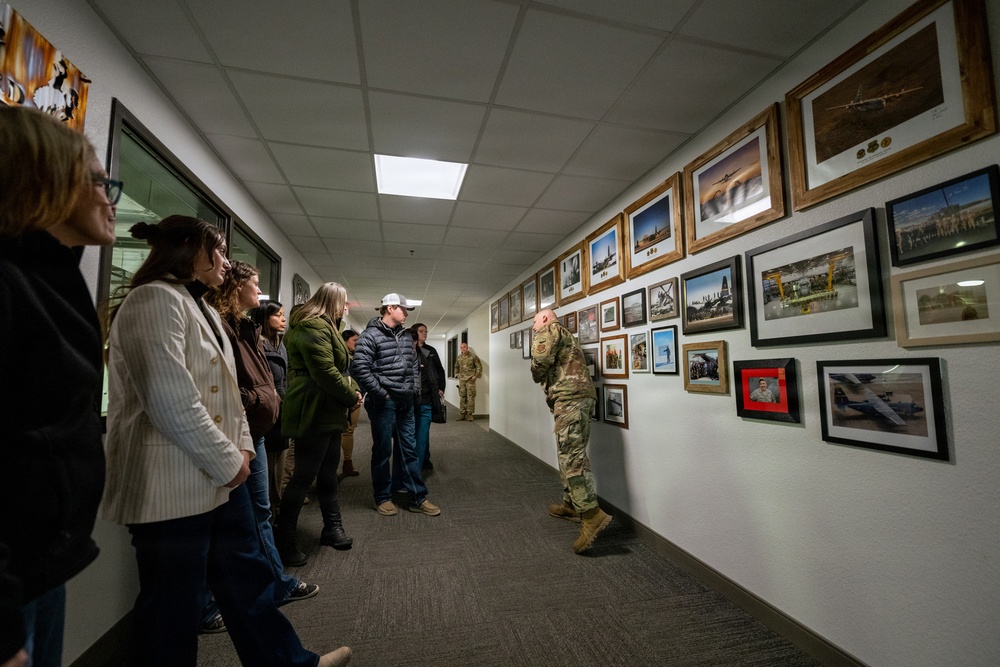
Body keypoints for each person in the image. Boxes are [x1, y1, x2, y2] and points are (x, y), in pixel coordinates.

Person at [102, 215, 349, 667]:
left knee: (247, 580)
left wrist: (243, 450)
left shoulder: (202, 308)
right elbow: (170, 399)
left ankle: (292, 663)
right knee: (172, 606)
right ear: (188, 253)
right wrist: (229, 460)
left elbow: (227, 399)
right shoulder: (153, 300)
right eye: (216, 251)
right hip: (171, 483)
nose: (224, 261)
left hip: (222, 474)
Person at [0, 106, 117, 667]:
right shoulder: (9, 283)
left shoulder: (52, 276)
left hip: (39, 564)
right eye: (98, 181)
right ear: (44, 177)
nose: (108, 197)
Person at [205, 263, 316, 619]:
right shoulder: (217, 324)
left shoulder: (247, 327)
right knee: (228, 520)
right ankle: (214, 601)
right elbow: (219, 382)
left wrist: (268, 400)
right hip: (234, 435)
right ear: (236, 288)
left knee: (262, 510)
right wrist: (256, 400)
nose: (260, 291)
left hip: (256, 432)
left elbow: (263, 376)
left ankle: (276, 581)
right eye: (255, 284)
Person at [277, 283, 360, 567]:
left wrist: (351, 391)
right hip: (313, 407)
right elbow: (325, 372)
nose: (346, 307)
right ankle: (284, 539)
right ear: (333, 300)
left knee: (327, 472)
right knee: (303, 475)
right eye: (344, 302)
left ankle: (331, 528)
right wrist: (350, 397)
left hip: (328, 409)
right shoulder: (311, 326)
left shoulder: (328, 326)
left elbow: (339, 369)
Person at [530, 308, 612, 554]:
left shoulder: (549, 329)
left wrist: (535, 371)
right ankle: (571, 504)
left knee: (571, 458)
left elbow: (539, 365)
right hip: (580, 398)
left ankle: (591, 514)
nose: (534, 328)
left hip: (570, 400)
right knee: (569, 451)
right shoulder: (567, 334)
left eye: (535, 322)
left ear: (544, 318)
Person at [352, 293, 441, 517]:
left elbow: (413, 365)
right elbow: (361, 369)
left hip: (406, 401)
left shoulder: (404, 336)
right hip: (384, 402)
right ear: (390, 308)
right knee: (382, 451)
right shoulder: (369, 336)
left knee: (409, 450)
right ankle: (382, 497)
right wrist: (382, 393)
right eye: (403, 308)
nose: (407, 313)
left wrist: (413, 391)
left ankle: (417, 497)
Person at [247, 300, 290, 510]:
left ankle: (276, 507)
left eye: (283, 314)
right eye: (278, 315)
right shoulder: (257, 344)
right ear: (265, 317)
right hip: (267, 410)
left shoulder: (279, 343)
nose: (283, 319)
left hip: (281, 408)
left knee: (279, 461)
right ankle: (272, 511)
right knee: (269, 465)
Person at [410, 323, 445, 469]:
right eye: (421, 331)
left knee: (423, 432)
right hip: (412, 399)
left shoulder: (430, 351)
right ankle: (419, 459)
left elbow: (440, 370)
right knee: (414, 432)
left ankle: (424, 458)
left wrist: (441, 388)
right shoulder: (408, 350)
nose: (425, 334)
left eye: (426, 331)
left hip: (427, 397)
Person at [339, 329, 363, 479]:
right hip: (342, 397)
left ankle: (347, 462)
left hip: (356, 397)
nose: (357, 344)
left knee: (349, 430)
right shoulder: (340, 357)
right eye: (355, 340)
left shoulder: (355, 358)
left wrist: (359, 393)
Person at [453, 342, 483, 421]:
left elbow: (479, 366)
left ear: (467, 348)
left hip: (470, 380)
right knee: (462, 396)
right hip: (462, 380)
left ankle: (469, 414)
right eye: (461, 347)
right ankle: (462, 413)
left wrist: (476, 376)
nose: (463, 349)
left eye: (464, 347)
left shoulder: (473, 356)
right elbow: (456, 366)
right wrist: (456, 375)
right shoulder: (459, 357)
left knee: (470, 396)